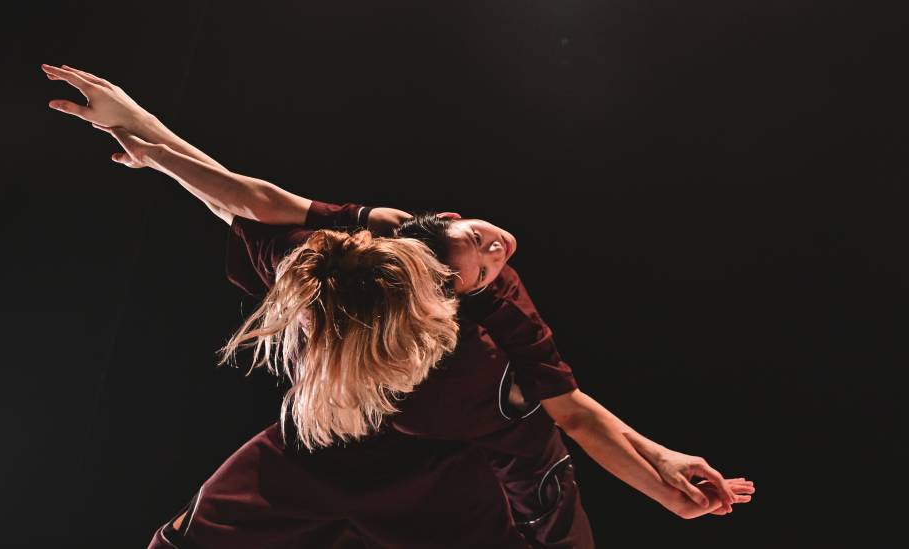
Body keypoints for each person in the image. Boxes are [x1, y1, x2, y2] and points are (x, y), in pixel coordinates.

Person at [45, 64, 754, 547]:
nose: (496, 253)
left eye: (470, 260)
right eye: (473, 270)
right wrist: (150, 145)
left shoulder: (394, 246)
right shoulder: (326, 306)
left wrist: (143, 130)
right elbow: (234, 201)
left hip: (442, 472)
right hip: (324, 444)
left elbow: (246, 197)